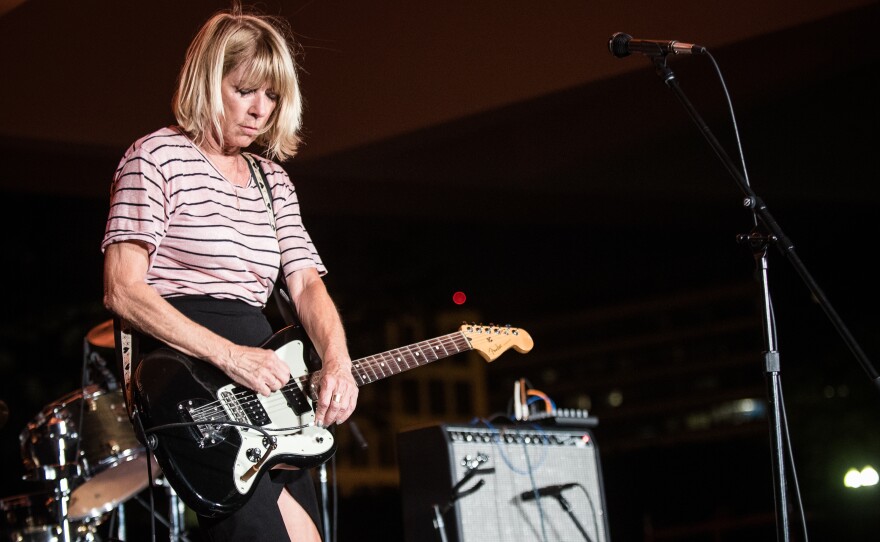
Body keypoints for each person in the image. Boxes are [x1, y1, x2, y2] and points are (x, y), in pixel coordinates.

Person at [101, 5, 357, 541]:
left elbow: (307, 283)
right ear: (207, 81)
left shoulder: (273, 181)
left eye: (273, 96)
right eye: (246, 90)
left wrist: (337, 361)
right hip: (193, 382)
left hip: (270, 391)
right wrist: (229, 356)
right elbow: (123, 290)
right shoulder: (154, 157)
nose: (260, 109)